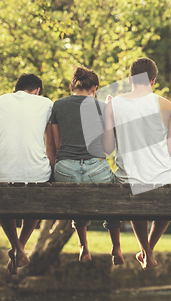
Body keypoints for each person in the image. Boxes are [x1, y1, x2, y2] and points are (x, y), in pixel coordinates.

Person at [104, 57, 171, 269]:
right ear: (153, 80)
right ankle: (148, 250)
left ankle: (146, 251)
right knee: (169, 190)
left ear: (130, 79)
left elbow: (108, 148)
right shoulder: (166, 104)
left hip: (130, 177)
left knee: (136, 188)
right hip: (163, 175)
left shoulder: (113, 105)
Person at [0, 73, 55, 275]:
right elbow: (50, 146)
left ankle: (17, 248)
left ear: (16, 88)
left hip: (0, 172)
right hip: (37, 172)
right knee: (38, 200)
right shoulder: (46, 104)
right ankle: (19, 247)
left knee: (2, 201)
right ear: (37, 90)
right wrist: (54, 174)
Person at [50, 67, 122, 265]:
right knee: (113, 194)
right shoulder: (102, 107)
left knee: (76, 195)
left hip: (65, 170)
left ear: (72, 86)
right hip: (96, 169)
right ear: (95, 88)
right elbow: (109, 148)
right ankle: (116, 246)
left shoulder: (57, 105)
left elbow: (56, 146)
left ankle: (83, 246)